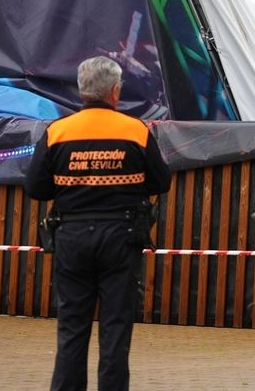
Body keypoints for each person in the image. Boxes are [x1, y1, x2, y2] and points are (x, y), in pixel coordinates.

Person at [25, 55, 171, 391]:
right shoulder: (135, 131)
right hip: (121, 237)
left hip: (71, 237)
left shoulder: (57, 131)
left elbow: (35, 188)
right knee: (116, 329)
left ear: (82, 90)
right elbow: (161, 182)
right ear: (115, 91)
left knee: (72, 329)